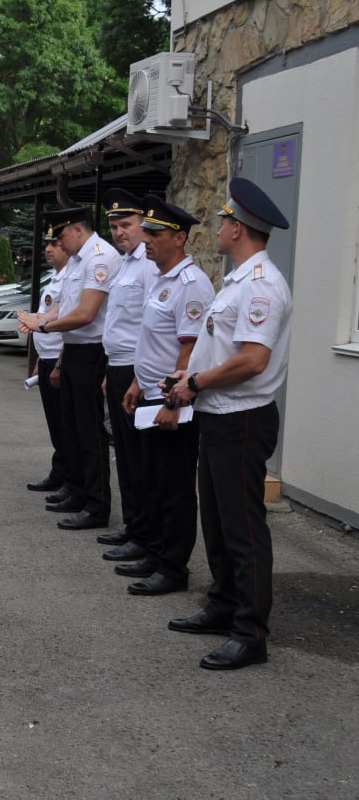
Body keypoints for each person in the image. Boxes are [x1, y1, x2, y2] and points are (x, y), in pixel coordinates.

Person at [162, 178, 292, 670]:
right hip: (220, 415)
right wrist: (189, 374)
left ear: (237, 229)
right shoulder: (238, 280)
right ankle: (222, 604)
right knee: (216, 520)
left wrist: (196, 384)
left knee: (242, 530)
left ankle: (250, 632)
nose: (217, 227)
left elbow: (254, 360)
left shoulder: (261, 287)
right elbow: (224, 349)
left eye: (223, 221)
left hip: (242, 420)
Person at [119, 195, 214, 598]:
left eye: (155, 234)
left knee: (174, 486)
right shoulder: (161, 279)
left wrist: (174, 404)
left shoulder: (192, 285)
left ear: (179, 238)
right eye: (147, 232)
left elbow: (189, 351)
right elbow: (153, 341)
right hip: (151, 393)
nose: (147, 240)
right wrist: (138, 382)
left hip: (171, 401)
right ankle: (157, 552)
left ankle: (174, 567)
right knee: (154, 480)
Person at [18, 207, 121, 530]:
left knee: (91, 433)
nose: (57, 243)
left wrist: (45, 327)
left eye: (60, 236)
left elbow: (87, 314)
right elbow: (67, 306)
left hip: (93, 352)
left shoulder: (100, 258)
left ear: (77, 231)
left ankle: (97, 505)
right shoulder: (79, 260)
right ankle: (78, 491)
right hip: (75, 349)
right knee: (75, 430)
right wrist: (43, 319)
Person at [96, 189, 158, 567]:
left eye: (126, 225)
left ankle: (145, 534)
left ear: (142, 225)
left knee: (140, 458)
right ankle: (134, 526)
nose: (119, 232)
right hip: (118, 367)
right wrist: (109, 370)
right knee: (125, 455)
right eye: (114, 226)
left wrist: (135, 373)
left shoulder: (150, 266)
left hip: (138, 370)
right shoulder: (125, 263)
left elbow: (151, 326)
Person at [26, 228, 70, 498]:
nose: (49, 248)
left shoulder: (71, 280)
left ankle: (68, 478)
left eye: (55, 243)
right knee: (55, 423)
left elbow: (70, 326)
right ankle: (60, 472)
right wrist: (39, 360)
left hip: (59, 360)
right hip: (48, 359)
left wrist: (58, 364)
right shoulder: (55, 279)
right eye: (47, 244)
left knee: (65, 424)